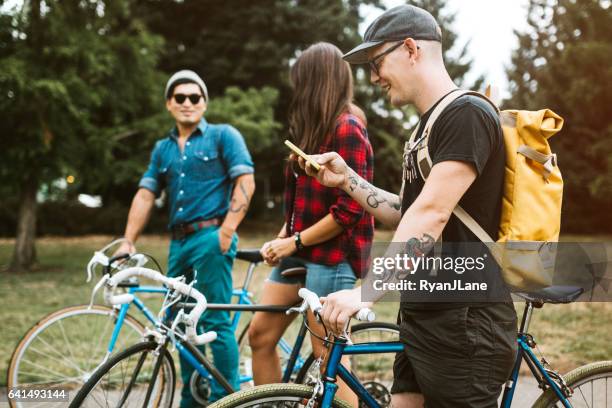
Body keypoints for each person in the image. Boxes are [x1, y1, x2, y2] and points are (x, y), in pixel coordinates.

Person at [298, 6, 517, 408]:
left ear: (412, 49)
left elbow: (430, 215)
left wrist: (365, 293)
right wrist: (346, 178)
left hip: (465, 321)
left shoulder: (466, 114)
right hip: (424, 313)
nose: (373, 77)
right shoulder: (426, 126)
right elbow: (408, 210)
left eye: (377, 62)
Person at [115, 70, 255, 406]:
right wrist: (127, 241)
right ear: (169, 104)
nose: (188, 103)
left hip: (211, 237)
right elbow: (146, 194)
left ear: (205, 103)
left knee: (214, 320)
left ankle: (226, 399)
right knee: (177, 323)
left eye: (196, 97)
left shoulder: (223, 135)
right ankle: (194, 398)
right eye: (181, 97)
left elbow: (245, 181)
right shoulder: (162, 149)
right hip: (177, 244)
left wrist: (227, 230)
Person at [247, 42, 374, 404]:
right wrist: (281, 239)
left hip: (332, 257)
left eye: (299, 80)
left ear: (315, 80)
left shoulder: (348, 127)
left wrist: (295, 242)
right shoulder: (309, 130)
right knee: (260, 336)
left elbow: (349, 211)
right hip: (300, 249)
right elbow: (300, 204)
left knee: (327, 358)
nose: (294, 89)